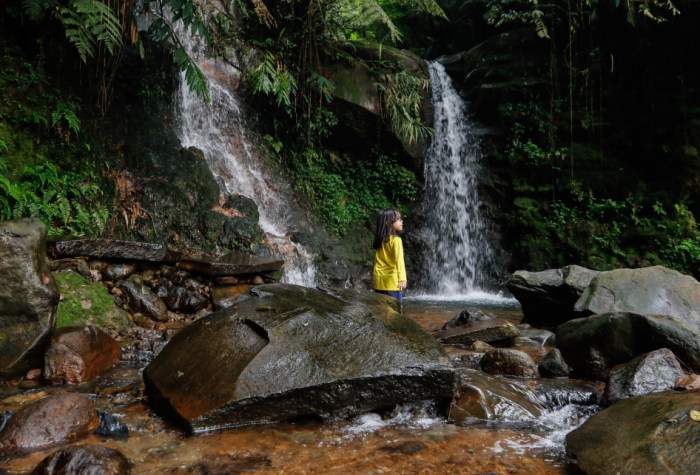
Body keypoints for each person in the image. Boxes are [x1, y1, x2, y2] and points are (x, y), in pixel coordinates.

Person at [372, 208, 407, 302]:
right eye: (399, 219)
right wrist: (402, 278)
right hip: (392, 281)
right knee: (395, 311)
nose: (401, 221)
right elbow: (399, 260)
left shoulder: (380, 239)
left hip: (378, 280)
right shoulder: (396, 240)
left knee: (381, 309)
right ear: (389, 223)